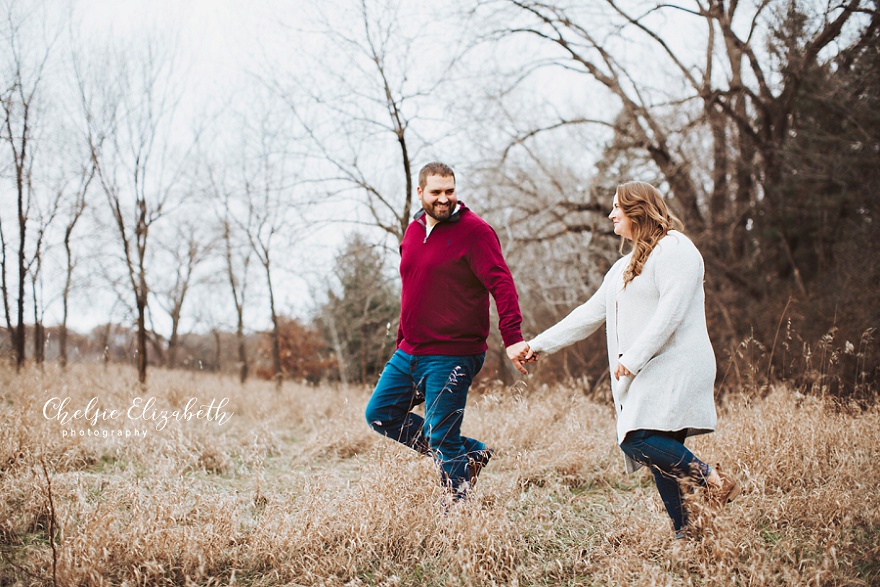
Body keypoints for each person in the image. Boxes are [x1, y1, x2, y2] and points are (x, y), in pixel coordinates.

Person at [515, 181, 740, 539]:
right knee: (663, 459)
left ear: (638, 210)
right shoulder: (623, 266)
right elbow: (588, 314)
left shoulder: (676, 248)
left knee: (636, 439)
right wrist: (539, 345)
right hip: (650, 367)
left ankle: (714, 479)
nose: (611, 214)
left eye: (617, 207)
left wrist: (634, 357)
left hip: (677, 363)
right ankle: (690, 534)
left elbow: (671, 312)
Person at [365, 162, 530, 501]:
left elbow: (502, 285)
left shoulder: (475, 232)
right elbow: (412, 290)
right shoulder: (412, 231)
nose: (444, 199)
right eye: (437, 192)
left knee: (442, 436)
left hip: (453, 352)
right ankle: (468, 454)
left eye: (450, 191)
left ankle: (457, 517)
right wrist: (401, 340)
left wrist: (513, 338)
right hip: (411, 351)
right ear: (421, 192)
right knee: (380, 415)